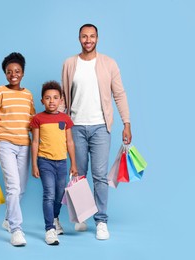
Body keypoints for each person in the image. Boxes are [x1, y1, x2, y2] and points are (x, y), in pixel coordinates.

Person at [60, 24, 132, 240]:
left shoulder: (109, 63)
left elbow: (119, 94)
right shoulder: (69, 64)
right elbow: (63, 96)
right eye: (84, 36)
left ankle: (101, 221)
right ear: (79, 39)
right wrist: (60, 126)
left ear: (97, 39)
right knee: (78, 174)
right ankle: (81, 217)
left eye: (92, 36)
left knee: (99, 176)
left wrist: (126, 122)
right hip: (76, 127)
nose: (88, 40)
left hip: (101, 127)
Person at [0, 52, 35, 247]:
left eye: (17, 71)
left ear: (23, 73)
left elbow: (32, 123)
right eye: (9, 71)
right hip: (5, 143)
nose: (13, 74)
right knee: (13, 186)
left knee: (21, 189)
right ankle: (16, 229)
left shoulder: (28, 95)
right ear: (5, 74)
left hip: (25, 145)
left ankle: (6, 219)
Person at [30, 81, 78, 245]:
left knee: (59, 196)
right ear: (42, 100)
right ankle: (49, 229)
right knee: (49, 194)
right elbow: (35, 142)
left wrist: (74, 164)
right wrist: (35, 164)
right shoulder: (38, 119)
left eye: (55, 98)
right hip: (45, 162)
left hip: (62, 163)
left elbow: (70, 142)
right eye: (48, 98)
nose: (52, 101)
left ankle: (55, 218)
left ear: (61, 100)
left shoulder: (65, 119)